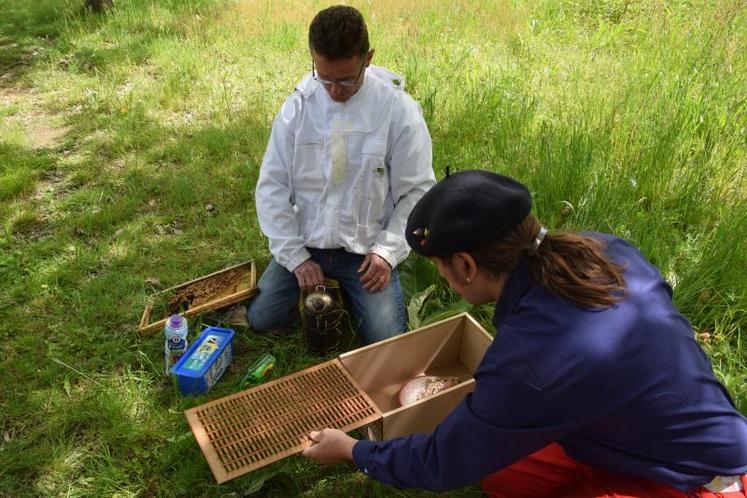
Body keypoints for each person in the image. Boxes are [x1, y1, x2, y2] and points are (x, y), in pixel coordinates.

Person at [302, 170, 747, 497]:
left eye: (440, 269)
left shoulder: (530, 363)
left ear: (466, 265)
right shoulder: (604, 248)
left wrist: (351, 451)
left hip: (696, 478)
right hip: (635, 431)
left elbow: (442, 462)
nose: (443, 278)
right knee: (504, 473)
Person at [247, 5, 435, 344]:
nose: (335, 90)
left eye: (347, 79)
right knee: (261, 318)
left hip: (366, 252)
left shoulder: (398, 111)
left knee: (385, 339)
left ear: (368, 58)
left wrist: (387, 253)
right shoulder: (298, 107)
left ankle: (363, 285)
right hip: (310, 243)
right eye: (325, 78)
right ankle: (325, 285)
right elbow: (272, 186)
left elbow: (418, 193)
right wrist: (296, 257)